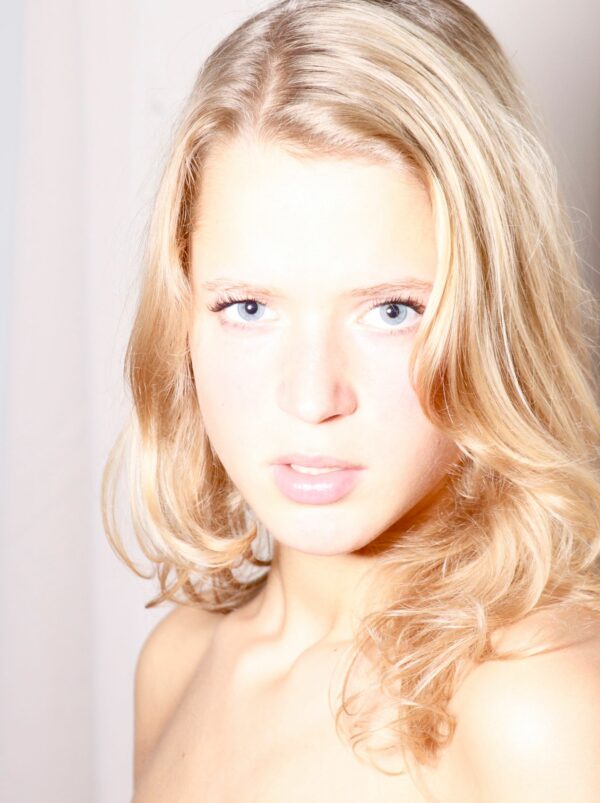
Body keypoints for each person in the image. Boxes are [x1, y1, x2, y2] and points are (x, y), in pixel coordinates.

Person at [101, 0, 600, 800]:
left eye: (392, 311)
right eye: (248, 307)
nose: (312, 398)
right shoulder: (177, 660)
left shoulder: (540, 706)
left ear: (495, 320)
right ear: (181, 314)